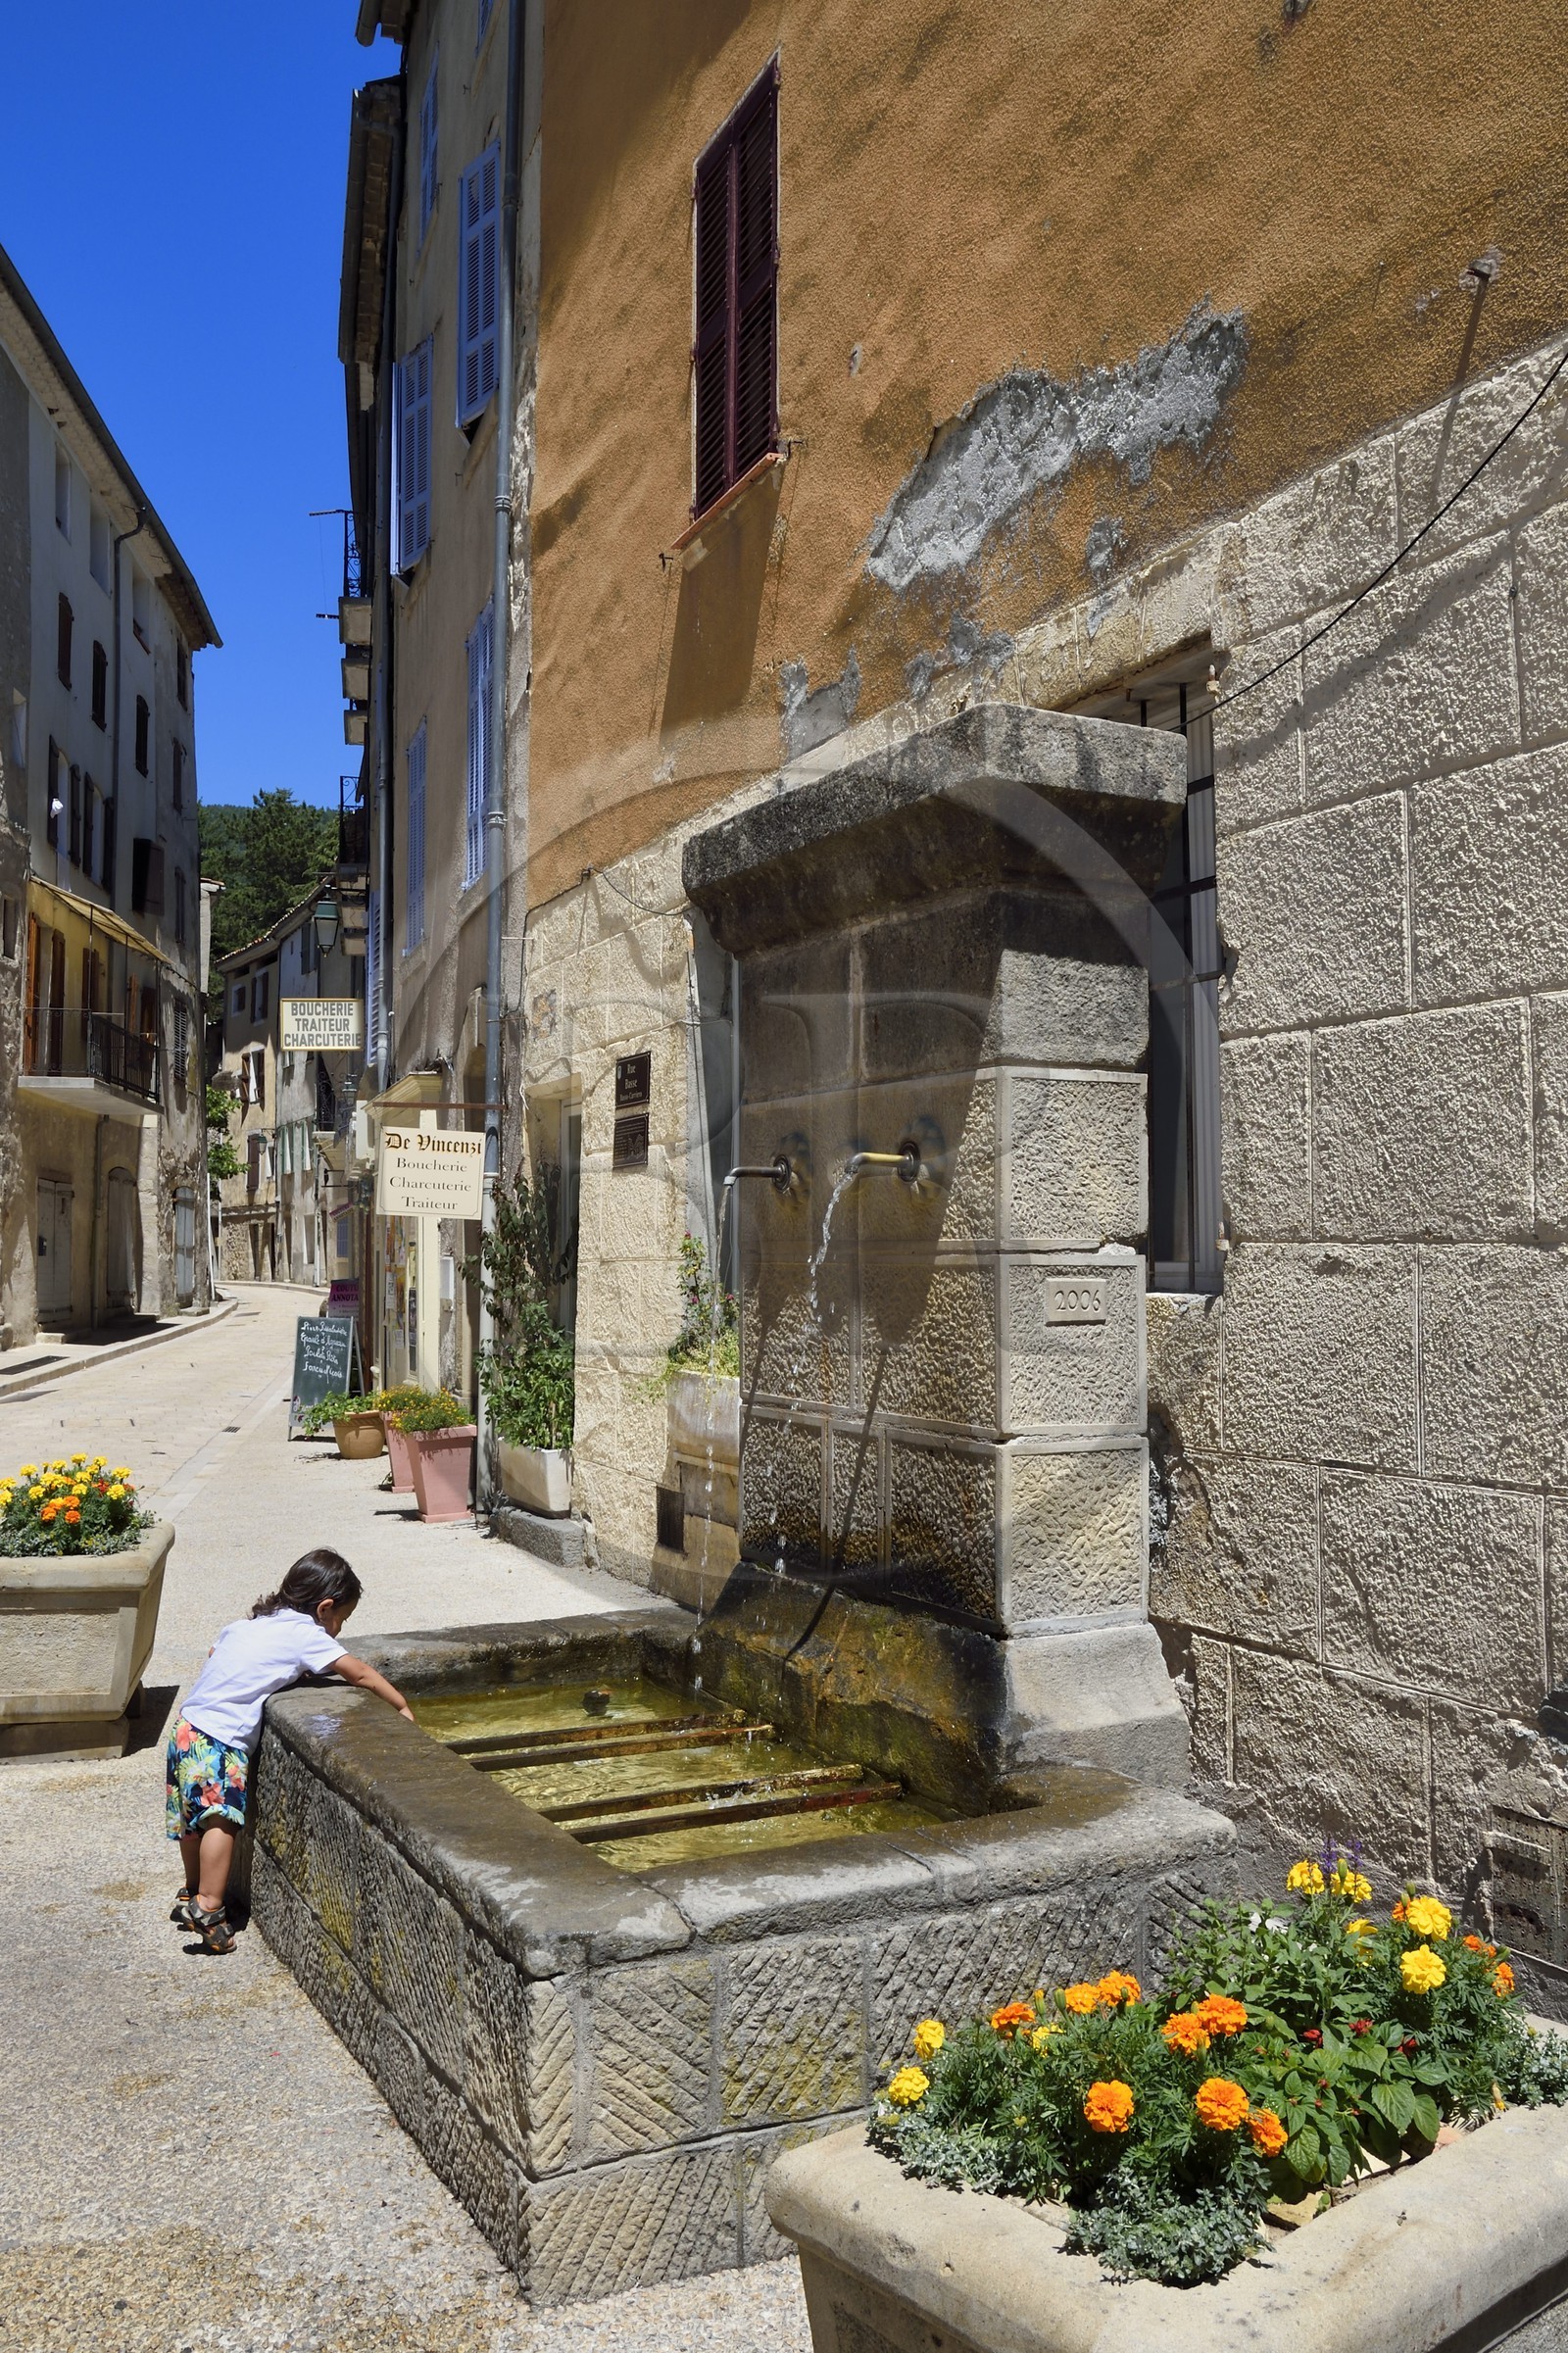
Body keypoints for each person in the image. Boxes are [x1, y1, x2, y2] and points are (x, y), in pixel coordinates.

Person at [166, 1546, 414, 1955]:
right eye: (341, 1620)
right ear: (325, 1607)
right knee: (220, 1821)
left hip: (188, 1727)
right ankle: (208, 1906)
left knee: (192, 1820)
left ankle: (191, 1888)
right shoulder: (307, 1634)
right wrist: (401, 1706)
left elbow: (216, 1654)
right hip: (223, 1738)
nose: (337, 1630)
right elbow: (360, 1674)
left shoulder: (247, 1625)